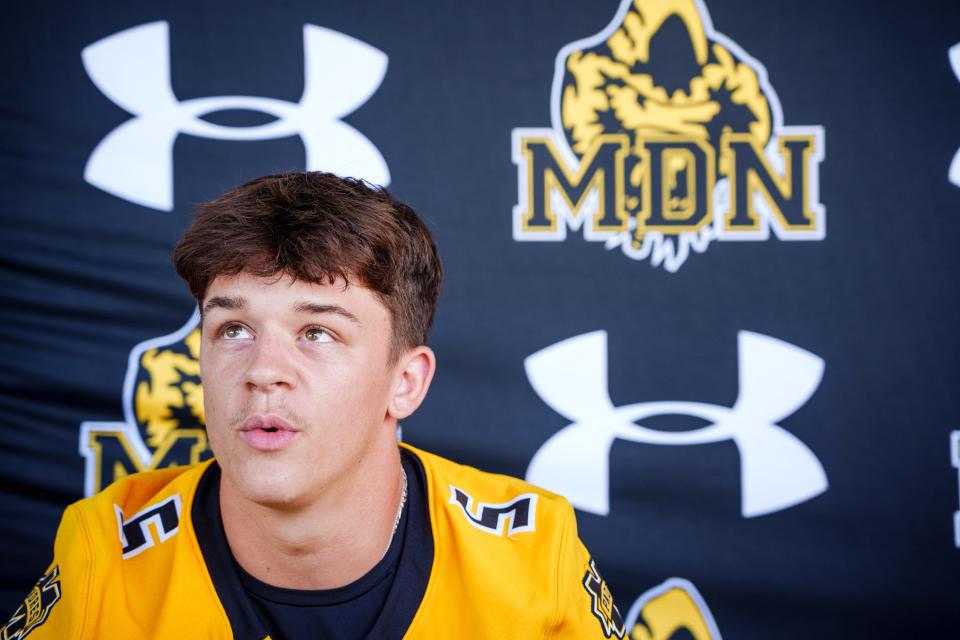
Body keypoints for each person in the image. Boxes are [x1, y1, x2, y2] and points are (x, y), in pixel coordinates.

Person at [2, 172, 626, 639]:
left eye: (318, 333)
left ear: (404, 382)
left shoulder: (530, 552)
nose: (263, 372)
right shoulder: (105, 553)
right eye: (234, 330)